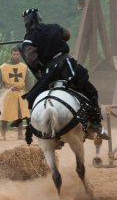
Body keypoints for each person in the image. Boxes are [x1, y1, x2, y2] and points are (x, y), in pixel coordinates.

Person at [20, 8, 110, 140]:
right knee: (90, 91)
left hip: (49, 73)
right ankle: (96, 125)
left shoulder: (29, 39)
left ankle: (37, 129)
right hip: (67, 66)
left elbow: (32, 60)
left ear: (27, 23)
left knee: (36, 98)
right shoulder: (54, 27)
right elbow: (67, 35)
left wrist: (42, 60)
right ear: (40, 18)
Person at [0, 45, 32, 140]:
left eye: (17, 54)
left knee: (20, 114)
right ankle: (3, 134)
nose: (16, 56)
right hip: (8, 93)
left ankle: (20, 134)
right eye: (14, 54)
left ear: (19, 55)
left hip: (20, 93)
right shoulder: (3, 67)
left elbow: (28, 82)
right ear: (11, 55)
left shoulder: (24, 67)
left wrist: (30, 93)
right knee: (5, 114)